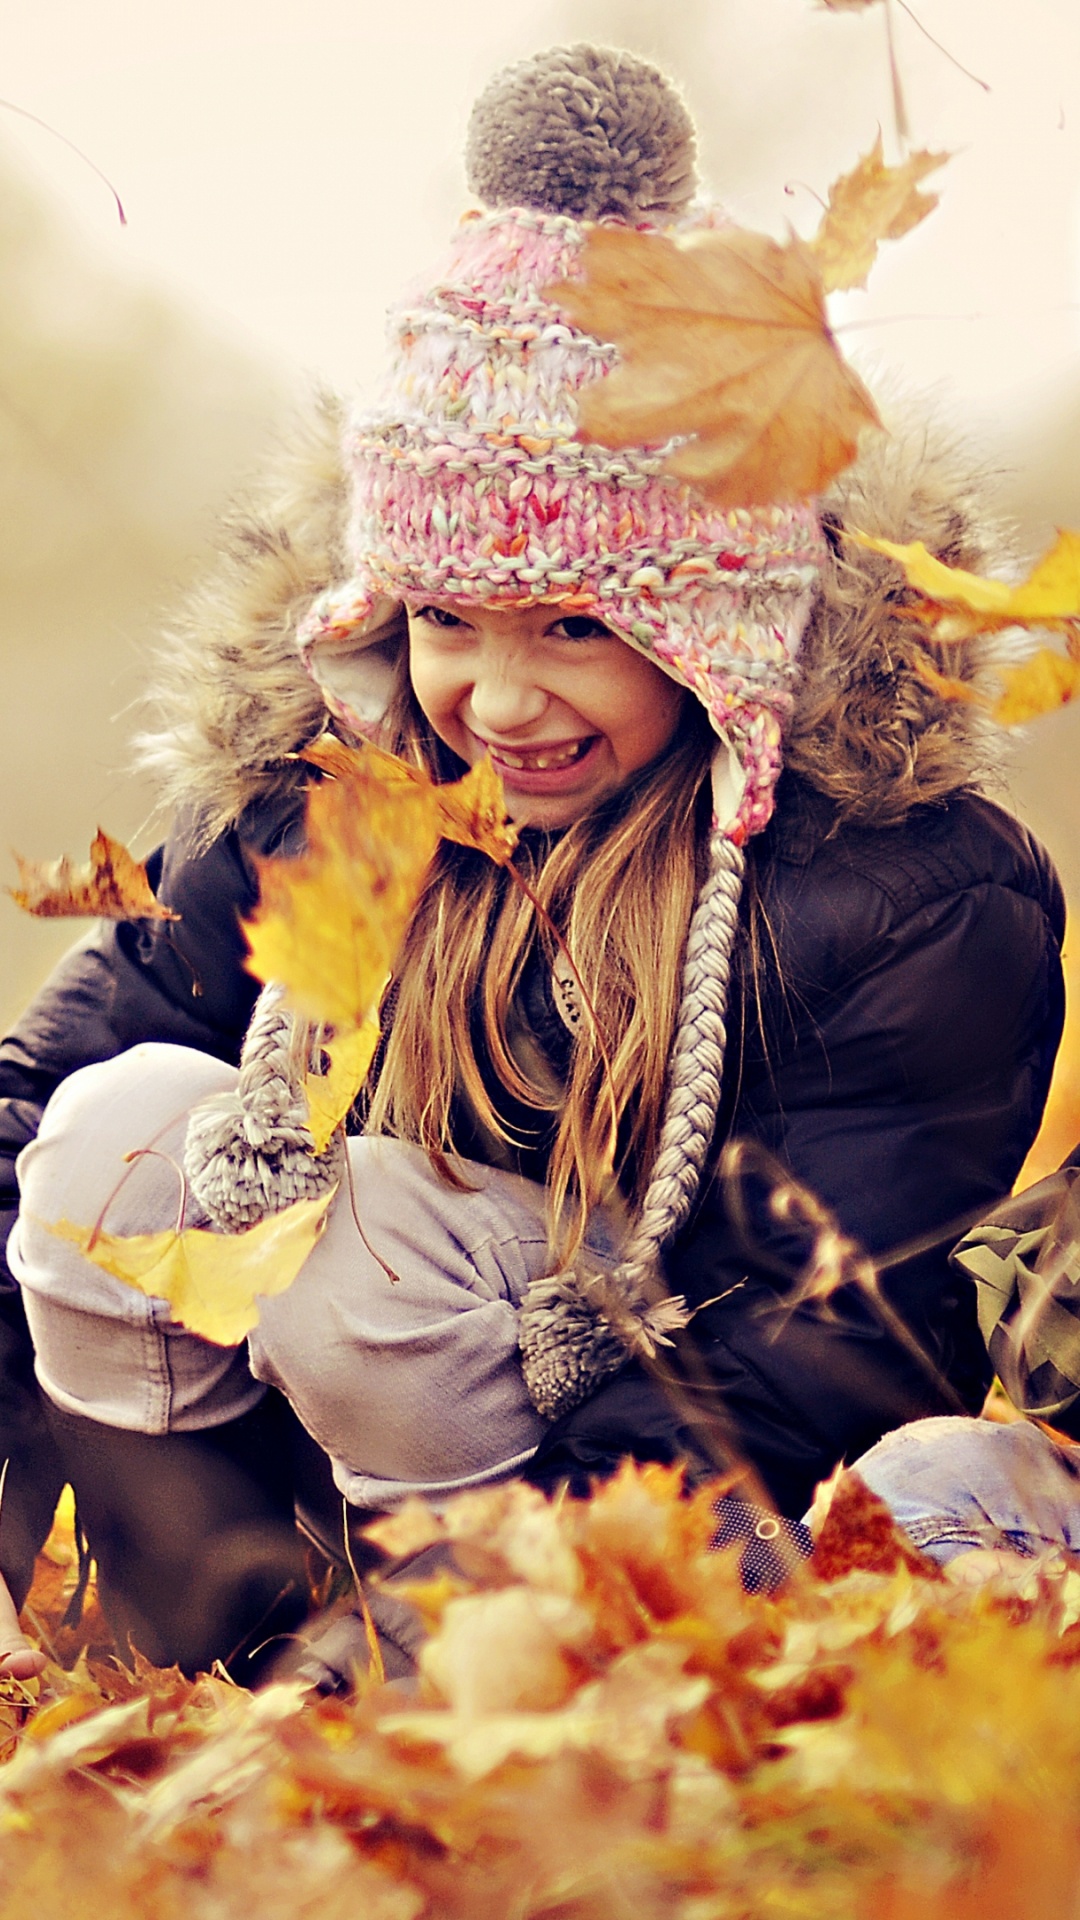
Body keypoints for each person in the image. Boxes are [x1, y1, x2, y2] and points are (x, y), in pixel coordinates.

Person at [0, 44, 1066, 1675]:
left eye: (577, 626)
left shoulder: (897, 898)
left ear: (715, 632)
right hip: (326, 1509)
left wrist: (485, 1622)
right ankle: (230, 1634)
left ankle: (451, 1667)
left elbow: (812, 1348)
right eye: (444, 622)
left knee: (367, 1245)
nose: (498, 702)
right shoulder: (335, 798)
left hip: (657, 1512)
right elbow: (64, 1066)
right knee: (109, 1138)